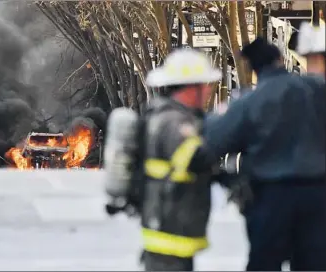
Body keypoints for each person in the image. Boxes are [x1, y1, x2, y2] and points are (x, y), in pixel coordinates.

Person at [198, 37, 326, 271]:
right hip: (317, 194)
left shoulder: (249, 102)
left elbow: (214, 143)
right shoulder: (315, 89)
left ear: (253, 68)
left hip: (271, 196)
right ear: (279, 59)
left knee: (264, 263)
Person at [133, 49, 222, 271]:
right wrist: (227, 129)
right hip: (170, 226)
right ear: (192, 88)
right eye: (205, 85)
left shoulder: (166, 115)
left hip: (170, 226)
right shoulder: (174, 122)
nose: (210, 90)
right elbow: (195, 157)